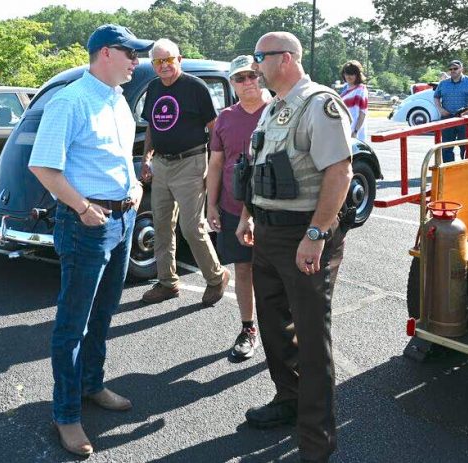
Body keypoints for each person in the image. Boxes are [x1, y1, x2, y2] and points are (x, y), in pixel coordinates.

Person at [28, 24, 152, 458]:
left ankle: (91, 385)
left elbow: (118, 156)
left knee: (104, 312)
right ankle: (65, 414)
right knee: (72, 325)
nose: (137, 61)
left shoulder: (117, 99)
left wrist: (134, 185)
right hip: (86, 224)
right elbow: (43, 166)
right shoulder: (71, 101)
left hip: (121, 219)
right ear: (104, 54)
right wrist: (82, 207)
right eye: (130, 53)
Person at [237, 32, 353, 463]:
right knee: (272, 323)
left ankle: (316, 442)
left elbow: (339, 172)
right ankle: (288, 400)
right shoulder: (275, 107)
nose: (255, 67)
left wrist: (317, 234)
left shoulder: (318, 104)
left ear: (284, 59)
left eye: (260, 59)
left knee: (310, 334)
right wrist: (249, 215)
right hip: (267, 233)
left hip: (303, 234)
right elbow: (257, 168)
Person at [139, 38, 231, 306]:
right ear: (153, 64)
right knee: (161, 225)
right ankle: (167, 282)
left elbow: (214, 129)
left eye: (169, 59)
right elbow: (151, 127)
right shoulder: (154, 87)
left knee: (191, 228)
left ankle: (216, 277)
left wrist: (212, 168)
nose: (164, 65)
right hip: (162, 165)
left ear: (179, 59)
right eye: (158, 61)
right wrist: (147, 158)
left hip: (191, 163)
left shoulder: (195, 87)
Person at [207, 55, 271, 360]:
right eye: (239, 78)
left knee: (279, 273)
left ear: (260, 76)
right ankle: (248, 328)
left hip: (272, 209)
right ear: (231, 83)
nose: (246, 83)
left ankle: (285, 332)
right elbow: (216, 163)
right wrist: (211, 206)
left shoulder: (277, 111)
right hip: (232, 207)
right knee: (243, 269)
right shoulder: (225, 118)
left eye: (251, 76)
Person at [433, 59, 468, 162]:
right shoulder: (443, 83)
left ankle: (465, 167)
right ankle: (448, 169)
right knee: (446, 146)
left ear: (461, 69)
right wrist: (440, 109)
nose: (452, 70)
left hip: (465, 119)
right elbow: (436, 97)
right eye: (450, 69)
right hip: (447, 118)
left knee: (465, 146)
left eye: (455, 68)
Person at [339, 60, 368, 141]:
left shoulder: (361, 89)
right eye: (347, 73)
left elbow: (363, 113)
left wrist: (355, 131)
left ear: (357, 75)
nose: (349, 76)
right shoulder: (343, 88)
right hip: (342, 130)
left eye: (352, 74)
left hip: (354, 134)